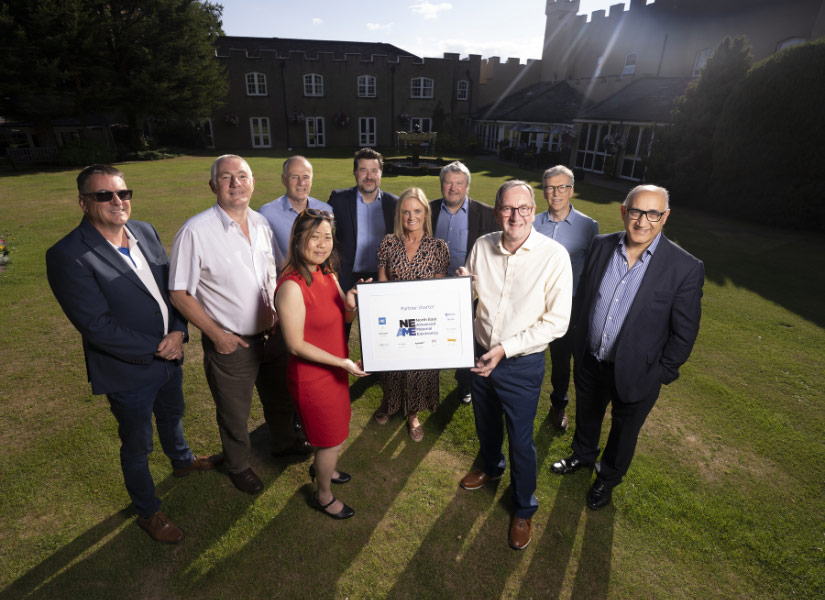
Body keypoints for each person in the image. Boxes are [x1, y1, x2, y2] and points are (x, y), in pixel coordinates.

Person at [46, 164, 221, 544]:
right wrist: (162, 347)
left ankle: (182, 461)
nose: (117, 201)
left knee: (173, 414)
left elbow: (172, 288)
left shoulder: (144, 231)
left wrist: (178, 329)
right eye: (103, 195)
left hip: (169, 358)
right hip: (128, 372)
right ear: (83, 202)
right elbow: (96, 325)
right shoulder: (68, 255)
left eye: (123, 193)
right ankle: (148, 510)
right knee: (138, 445)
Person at [550, 185, 704, 511]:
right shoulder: (602, 245)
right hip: (592, 360)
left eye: (653, 214)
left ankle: (606, 479)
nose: (642, 221)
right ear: (624, 211)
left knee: (624, 431)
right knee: (588, 416)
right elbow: (587, 298)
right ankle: (582, 455)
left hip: (638, 371)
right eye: (636, 211)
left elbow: (685, 332)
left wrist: (660, 373)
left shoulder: (684, 268)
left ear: (665, 217)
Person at [169, 155, 310, 496]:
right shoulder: (196, 231)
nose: (236, 183)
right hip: (232, 343)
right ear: (213, 185)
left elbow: (277, 273)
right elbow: (179, 293)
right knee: (234, 413)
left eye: (242, 176)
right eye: (227, 177)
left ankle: (283, 443)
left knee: (279, 399)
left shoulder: (261, 224)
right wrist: (218, 336)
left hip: (272, 335)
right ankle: (238, 465)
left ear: (253, 182)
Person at [457, 180, 573, 551]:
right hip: (479, 353)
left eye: (524, 208)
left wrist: (506, 349)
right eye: (508, 208)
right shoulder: (481, 246)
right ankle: (491, 467)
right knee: (485, 422)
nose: (516, 216)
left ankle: (524, 506)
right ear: (496, 212)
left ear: (533, 211)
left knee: (522, 440)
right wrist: (459, 287)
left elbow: (557, 322)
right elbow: (471, 295)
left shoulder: (554, 256)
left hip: (521, 365)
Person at [275, 209, 367, 519]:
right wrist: (341, 362)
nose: (322, 244)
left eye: (327, 237)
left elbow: (344, 316)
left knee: (336, 431)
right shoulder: (291, 286)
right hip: (313, 378)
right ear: (298, 239)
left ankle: (324, 468)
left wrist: (351, 304)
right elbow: (295, 344)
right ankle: (324, 494)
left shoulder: (328, 274)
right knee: (330, 438)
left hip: (336, 371)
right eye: (314, 237)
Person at [374, 188, 449, 441]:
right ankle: (389, 402)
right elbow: (382, 285)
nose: (411, 217)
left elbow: (440, 292)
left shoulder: (438, 247)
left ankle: (413, 413)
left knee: (419, 368)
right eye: (405, 211)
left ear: (425, 213)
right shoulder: (388, 242)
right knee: (392, 366)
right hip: (394, 319)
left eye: (416, 211)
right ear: (399, 214)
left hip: (423, 321)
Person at [534, 165, 599, 431]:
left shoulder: (588, 226)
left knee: (562, 361)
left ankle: (558, 404)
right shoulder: (533, 223)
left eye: (562, 187)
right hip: (535, 303)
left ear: (571, 190)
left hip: (568, 306)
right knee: (527, 354)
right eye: (550, 187)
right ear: (544, 191)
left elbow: (593, 270)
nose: (556, 193)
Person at [430, 161, 498, 404]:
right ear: (441, 185)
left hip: (469, 290)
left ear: (467, 186)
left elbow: (496, 254)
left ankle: (465, 383)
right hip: (433, 288)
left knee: (469, 339)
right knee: (432, 335)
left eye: (459, 183)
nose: (453, 188)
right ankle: (428, 381)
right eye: (448, 182)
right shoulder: (428, 210)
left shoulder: (487, 215)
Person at [328, 147, 399, 297]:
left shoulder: (394, 204)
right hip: (345, 276)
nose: (369, 176)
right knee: (342, 320)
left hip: (381, 277)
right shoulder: (338, 200)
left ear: (381, 173)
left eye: (374, 170)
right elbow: (321, 231)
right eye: (363, 170)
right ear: (355, 172)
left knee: (380, 320)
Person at [258, 156, 332, 266]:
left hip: (320, 279)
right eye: (294, 177)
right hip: (285, 281)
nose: (301, 183)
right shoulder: (266, 214)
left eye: (306, 177)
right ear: (284, 180)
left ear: (311, 179)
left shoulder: (327, 210)